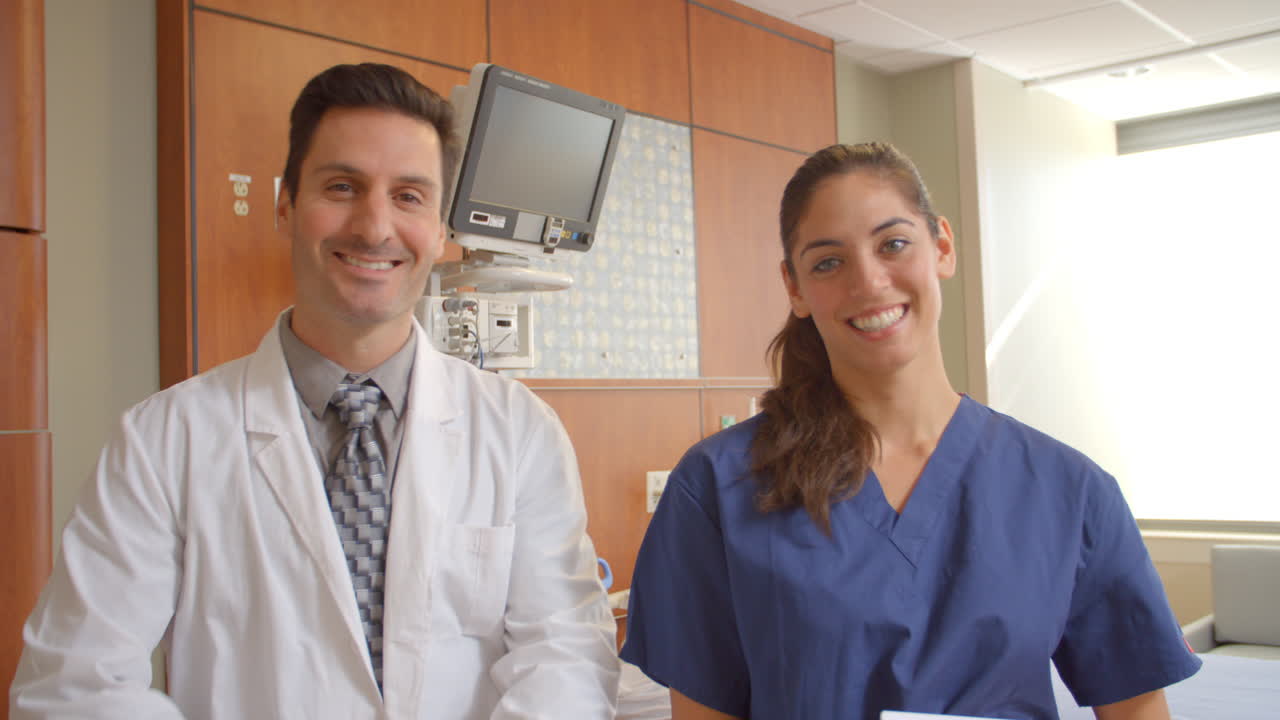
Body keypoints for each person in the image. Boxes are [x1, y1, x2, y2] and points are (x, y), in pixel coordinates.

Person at [11, 63, 619, 719]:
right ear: (285, 205)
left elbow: (566, 659)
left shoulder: (520, 432)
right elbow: (75, 688)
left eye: (409, 196)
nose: (375, 226)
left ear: (441, 230)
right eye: (342, 186)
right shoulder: (163, 441)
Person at [620, 142, 1200, 720]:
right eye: (828, 262)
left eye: (893, 244)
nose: (869, 282)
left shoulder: (1069, 491)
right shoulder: (720, 485)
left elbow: (1137, 708)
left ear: (942, 245)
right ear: (794, 287)